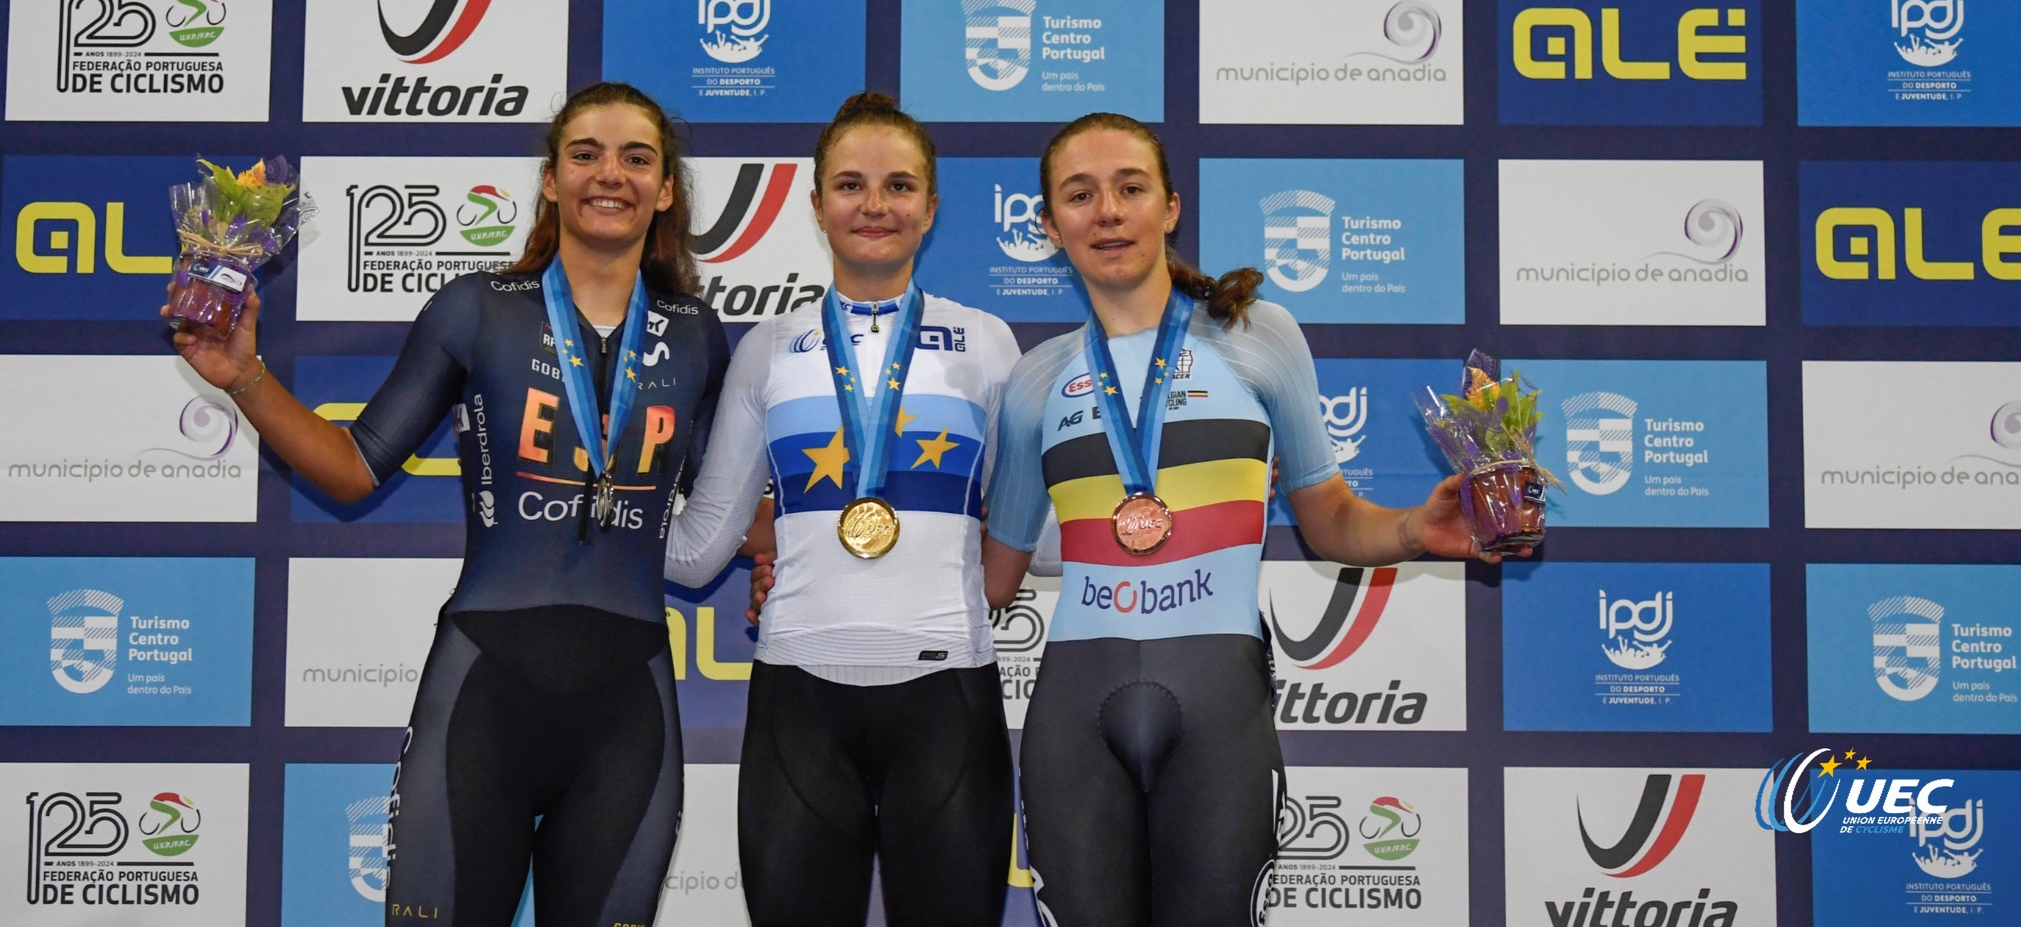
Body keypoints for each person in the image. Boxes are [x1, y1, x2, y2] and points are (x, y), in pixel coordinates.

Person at [168, 83, 727, 927]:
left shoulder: (696, 331)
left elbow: (726, 513)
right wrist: (242, 375)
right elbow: (356, 465)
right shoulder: (476, 309)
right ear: (549, 179)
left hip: (629, 712)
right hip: (483, 696)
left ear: (667, 188)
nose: (609, 174)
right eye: (585, 154)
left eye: (636, 157)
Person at [980, 112, 1503, 927]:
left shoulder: (1257, 339)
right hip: (1073, 716)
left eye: (1130, 188)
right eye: (1079, 196)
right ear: (1048, 226)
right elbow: (993, 574)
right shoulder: (1034, 382)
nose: (1108, 212)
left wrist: (1414, 530)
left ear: (1172, 206)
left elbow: (1328, 518)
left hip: (1218, 703)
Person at [667, 92, 1021, 927]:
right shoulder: (768, 348)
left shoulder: (987, 343)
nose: (874, 204)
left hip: (949, 697)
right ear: (816, 200)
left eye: (899, 185)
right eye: (851, 184)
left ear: (931, 207)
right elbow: (695, 551)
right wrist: (570, 498)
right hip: (799, 697)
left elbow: (1028, 541)